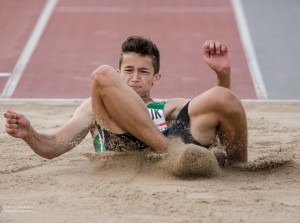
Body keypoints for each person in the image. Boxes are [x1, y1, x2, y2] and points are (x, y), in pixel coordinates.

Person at [4, 36, 248, 167]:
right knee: (101, 73)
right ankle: (167, 152)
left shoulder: (168, 106)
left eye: (143, 72)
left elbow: (220, 111)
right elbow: (55, 145)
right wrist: (30, 134)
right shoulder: (93, 107)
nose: (134, 78)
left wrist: (222, 74)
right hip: (124, 142)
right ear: (119, 75)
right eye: (128, 70)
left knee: (223, 96)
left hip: (177, 145)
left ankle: (238, 168)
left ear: (156, 78)